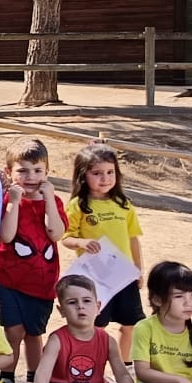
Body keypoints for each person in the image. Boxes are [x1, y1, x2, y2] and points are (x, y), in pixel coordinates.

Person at [0, 138, 66, 381]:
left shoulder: (54, 202)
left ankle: (35, 378)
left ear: (47, 172)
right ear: (9, 172)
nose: (30, 177)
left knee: (34, 333)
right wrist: (13, 202)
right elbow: (6, 235)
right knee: (13, 331)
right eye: (22, 171)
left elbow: (55, 233)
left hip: (42, 283)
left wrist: (49, 200)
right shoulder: (7, 200)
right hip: (10, 281)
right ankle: (7, 378)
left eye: (37, 170)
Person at [65, 143, 145, 354]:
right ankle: (93, 365)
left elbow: (133, 238)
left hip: (124, 275)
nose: (105, 178)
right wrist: (81, 243)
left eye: (110, 172)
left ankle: (125, 364)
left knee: (130, 323)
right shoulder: (78, 205)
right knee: (96, 324)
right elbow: (66, 237)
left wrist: (138, 269)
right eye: (97, 173)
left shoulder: (123, 204)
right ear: (83, 175)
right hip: (95, 277)